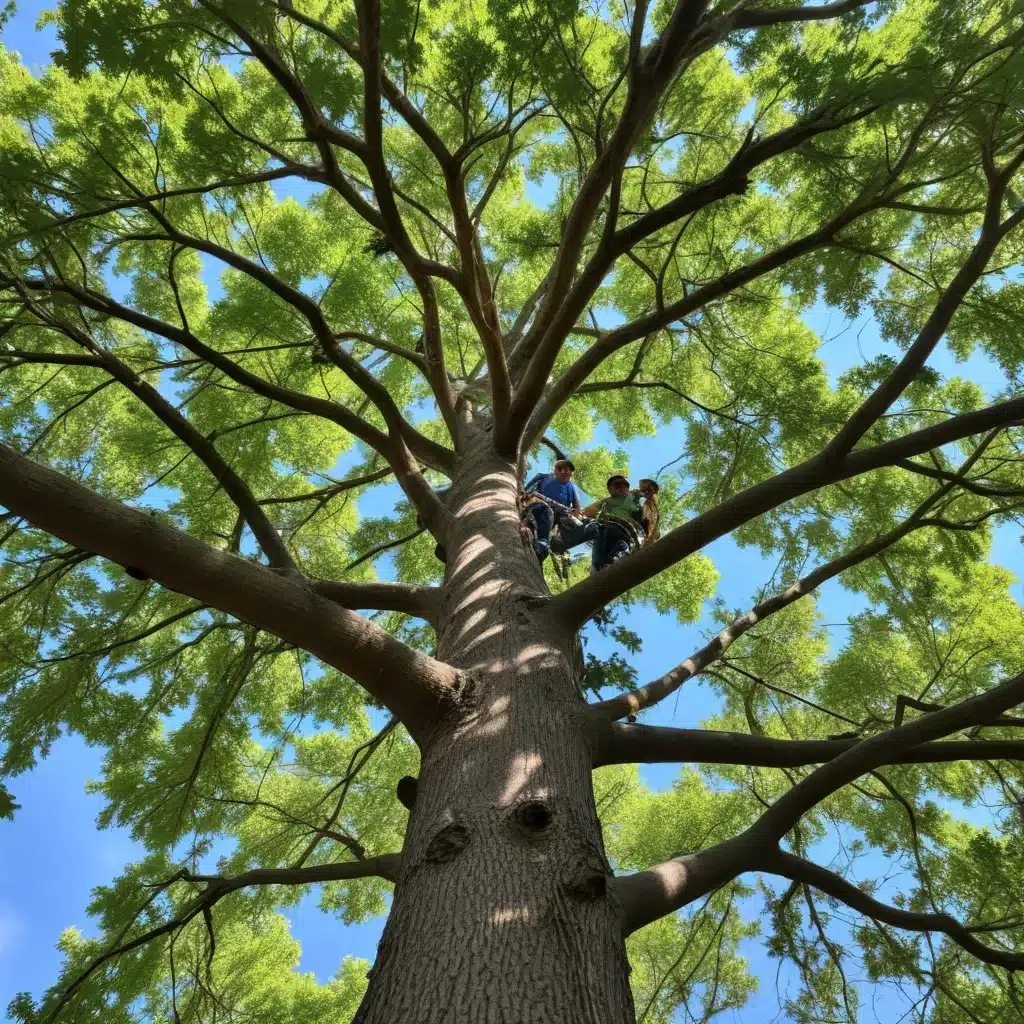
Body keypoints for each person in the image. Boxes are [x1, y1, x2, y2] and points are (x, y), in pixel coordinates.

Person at [523, 459, 588, 560]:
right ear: (555, 470)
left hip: (559, 518)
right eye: (559, 469)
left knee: (586, 525)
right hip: (539, 509)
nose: (562, 472)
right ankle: (542, 544)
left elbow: (577, 508)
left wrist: (573, 517)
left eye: (566, 469)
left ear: (571, 472)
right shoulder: (543, 477)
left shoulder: (573, 487)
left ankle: (556, 547)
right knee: (545, 510)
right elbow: (525, 492)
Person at [583, 475, 646, 572]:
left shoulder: (634, 499)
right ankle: (598, 566)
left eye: (625, 485)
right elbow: (586, 512)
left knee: (620, 542)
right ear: (610, 489)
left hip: (630, 533)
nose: (622, 488)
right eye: (617, 486)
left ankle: (613, 559)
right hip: (607, 529)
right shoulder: (606, 501)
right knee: (599, 530)